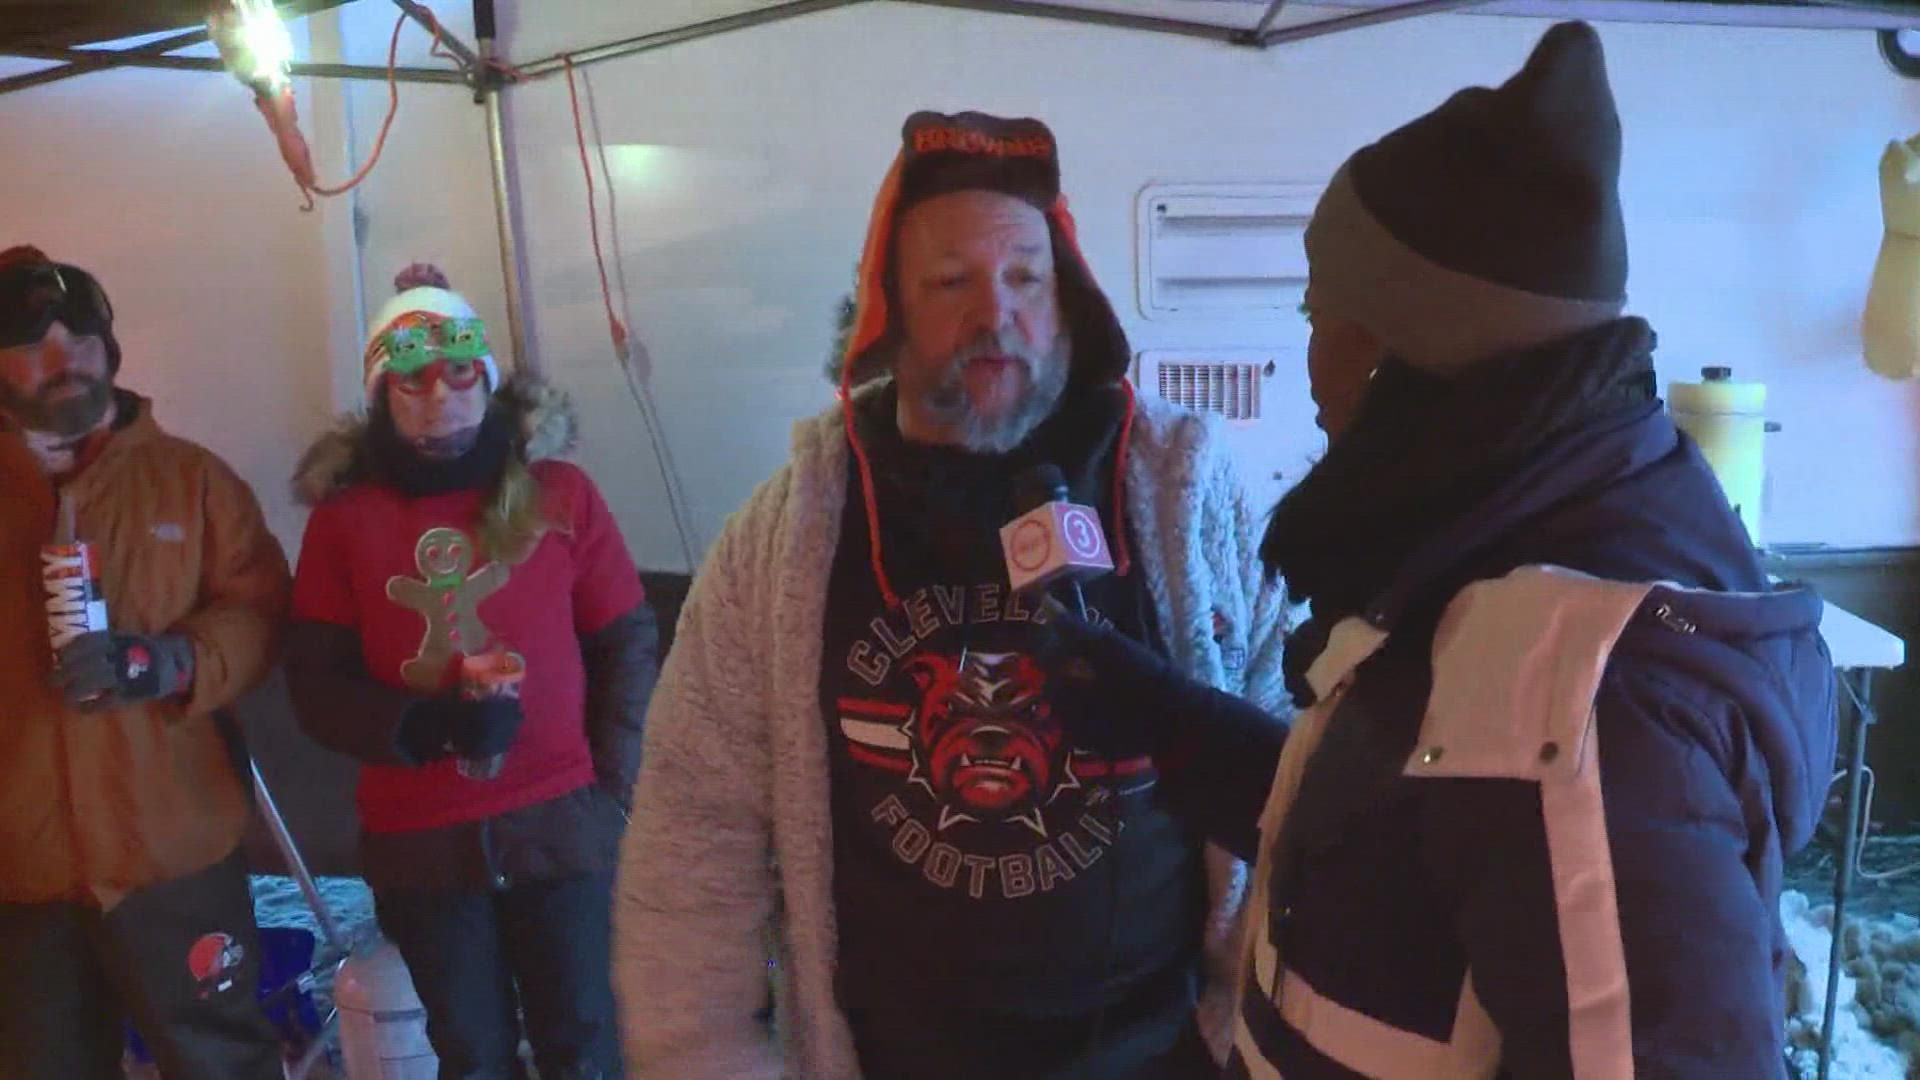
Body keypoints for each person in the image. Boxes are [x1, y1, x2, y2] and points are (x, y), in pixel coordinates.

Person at [1051, 22, 1839, 1077]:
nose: (1311, 371)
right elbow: (1399, 845)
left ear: (1403, 354)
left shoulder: (1581, 700)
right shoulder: (1501, 554)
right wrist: (1159, 715)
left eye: (1317, 314)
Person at [612, 110, 1291, 1079]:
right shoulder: (788, 530)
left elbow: (1291, 757)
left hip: (1164, 1054)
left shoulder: (1187, 489)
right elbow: (693, 835)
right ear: (886, 310)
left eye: (1024, 278)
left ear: (1069, 299)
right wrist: (703, 1056)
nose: (994, 314)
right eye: (950, 283)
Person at [286, 264, 659, 1079]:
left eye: (460, 373)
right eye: (411, 378)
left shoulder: (562, 496)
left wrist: (611, 787)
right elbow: (316, 687)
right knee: (470, 1050)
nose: (437, 396)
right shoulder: (343, 524)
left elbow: (625, 642)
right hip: (421, 844)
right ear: (382, 392)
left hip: (561, 826)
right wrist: (420, 727)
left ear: (486, 380)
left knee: (584, 1043)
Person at [0, 245, 292, 1078]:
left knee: (222, 1062)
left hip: (173, 852)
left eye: (82, 337)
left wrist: (172, 662)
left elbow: (262, 610)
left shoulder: (191, 479)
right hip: (20, 869)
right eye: (34, 344)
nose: (66, 362)